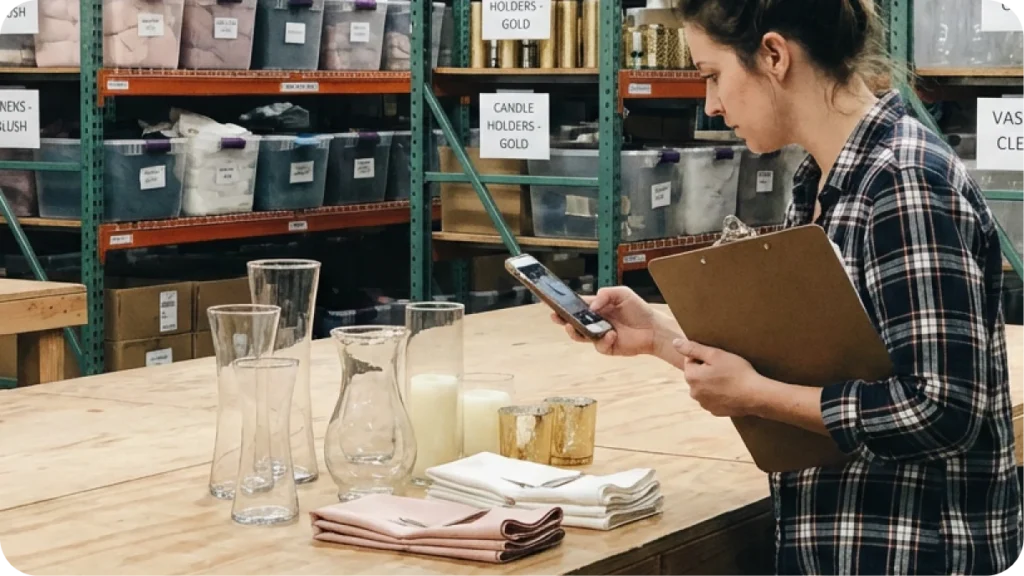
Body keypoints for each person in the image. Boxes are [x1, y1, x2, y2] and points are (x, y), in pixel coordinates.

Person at [553, 0, 1022, 574]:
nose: (713, 103)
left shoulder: (901, 182)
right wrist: (657, 338)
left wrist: (755, 397)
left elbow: (942, 410)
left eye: (713, 75)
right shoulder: (821, 182)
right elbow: (815, 369)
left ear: (774, 55)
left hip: (911, 550)